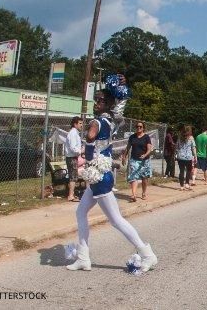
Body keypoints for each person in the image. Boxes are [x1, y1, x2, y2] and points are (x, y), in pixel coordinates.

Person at [65, 76, 157, 272]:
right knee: (80, 212)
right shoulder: (112, 121)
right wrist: (119, 88)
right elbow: (118, 111)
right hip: (98, 176)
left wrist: (88, 150)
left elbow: (91, 136)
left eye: (100, 101)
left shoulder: (98, 122)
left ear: (107, 105)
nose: (96, 103)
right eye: (96, 99)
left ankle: (147, 254)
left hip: (100, 177)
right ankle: (83, 257)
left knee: (116, 220)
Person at [122, 121, 153, 202]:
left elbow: (149, 149)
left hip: (144, 161)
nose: (138, 128)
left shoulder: (146, 137)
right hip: (134, 160)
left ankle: (143, 193)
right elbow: (128, 147)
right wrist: (124, 156)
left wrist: (145, 155)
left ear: (143, 128)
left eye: (140, 127)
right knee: (133, 176)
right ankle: (134, 195)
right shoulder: (132, 137)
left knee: (144, 178)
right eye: (137, 126)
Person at [65, 116, 83, 202]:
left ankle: (72, 194)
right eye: (80, 123)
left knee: (74, 176)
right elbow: (73, 147)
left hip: (74, 157)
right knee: (73, 177)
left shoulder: (75, 133)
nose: (81, 125)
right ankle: (70, 195)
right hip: (71, 157)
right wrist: (80, 151)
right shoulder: (73, 133)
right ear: (75, 124)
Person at [176, 126, 196, 191]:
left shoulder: (179, 138)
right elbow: (193, 148)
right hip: (188, 157)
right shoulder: (191, 138)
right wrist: (195, 156)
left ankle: (181, 186)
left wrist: (177, 153)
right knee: (188, 171)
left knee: (181, 171)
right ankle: (187, 184)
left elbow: (177, 147)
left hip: (180, 156)